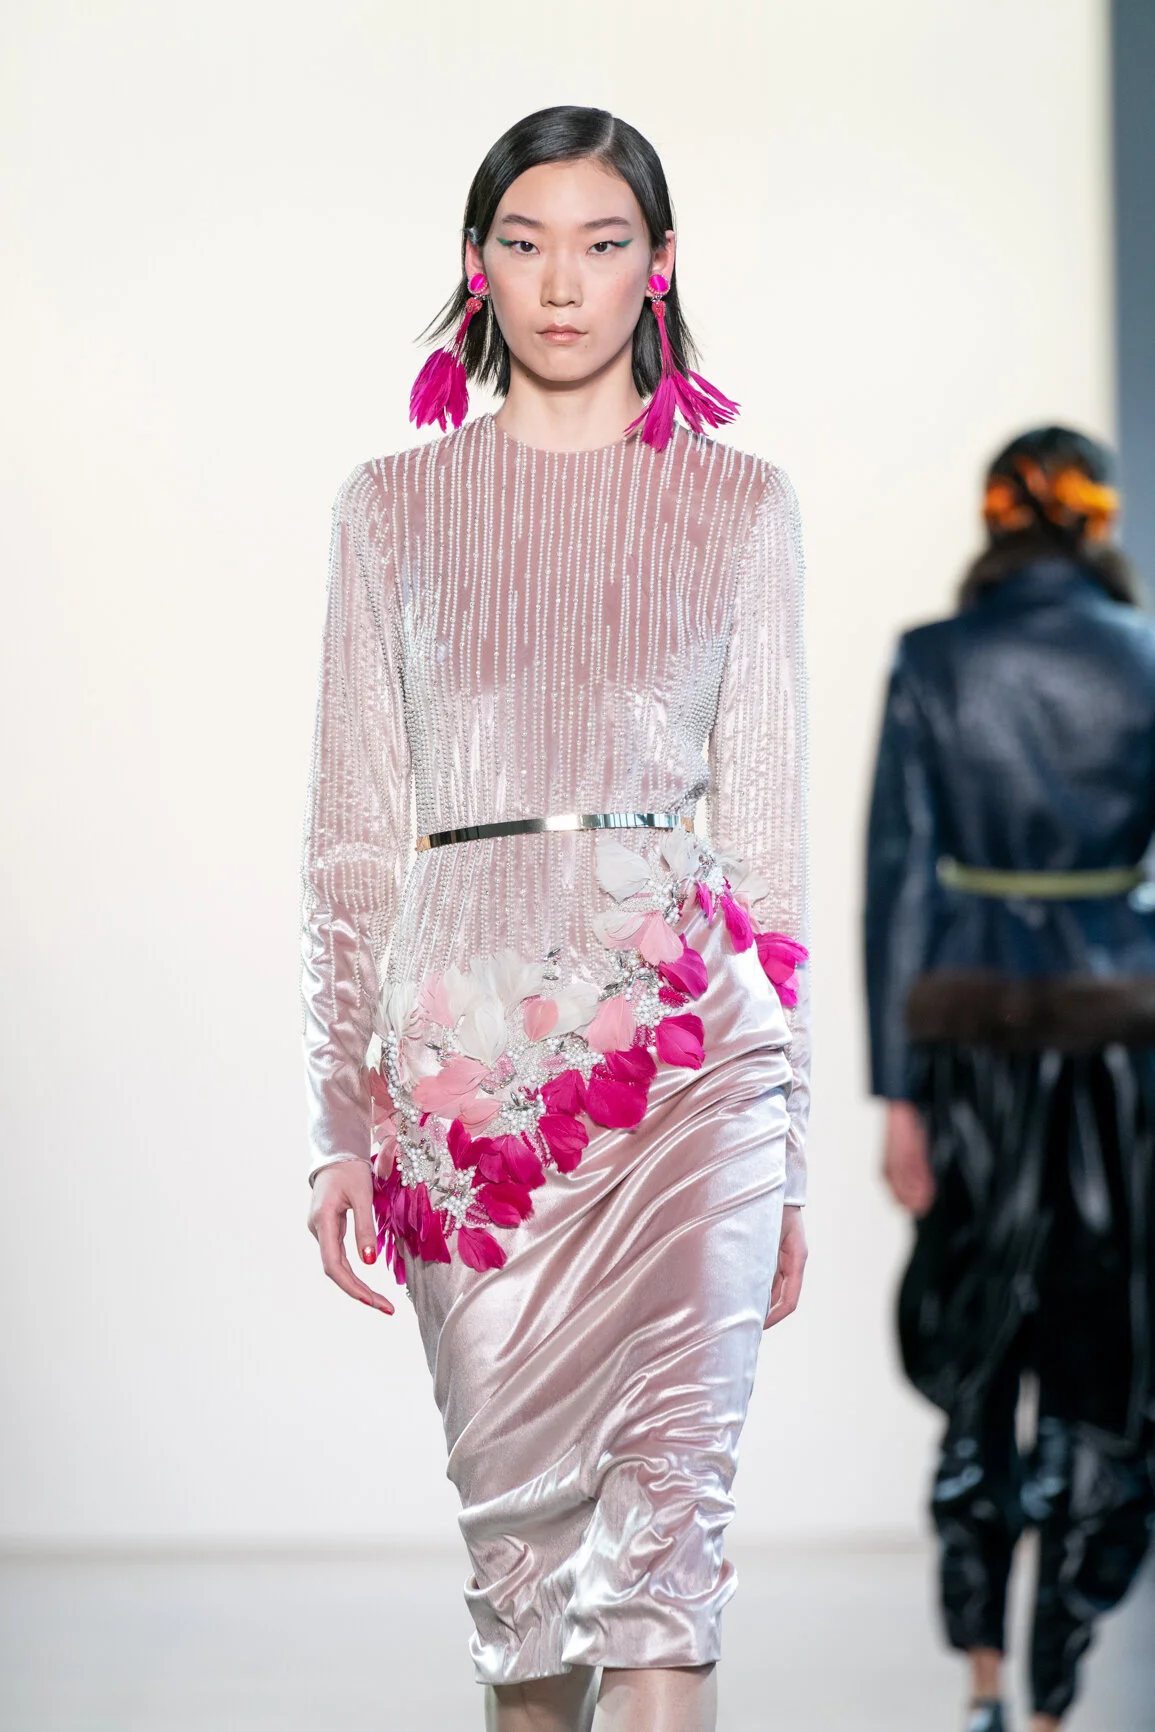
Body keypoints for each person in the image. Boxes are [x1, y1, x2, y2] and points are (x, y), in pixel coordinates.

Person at [300, 106, 811, 1732]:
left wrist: (789, 1151)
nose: (563, 282)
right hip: (470, 1084)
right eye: (525, 244)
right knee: (526, 1606)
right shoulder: (390, 510)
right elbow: (352, 842)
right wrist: (335, 1120)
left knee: (668, 1557)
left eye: (602, 244)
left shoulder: (739, 505)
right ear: (478, 267)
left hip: (691, 1068)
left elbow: (770, 845)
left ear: (658, 266)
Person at [865, 426, 1155, 1732]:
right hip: (1120, 1052)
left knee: (980, 1355)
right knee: (1103, 1371)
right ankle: (1054, 1696)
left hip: (969, 1047)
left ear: (993, 521)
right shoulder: (1142, 658)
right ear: (1098, 521)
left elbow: (897, 886)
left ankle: (982, 1678)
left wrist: (898, 1094)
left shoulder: (933, 660)